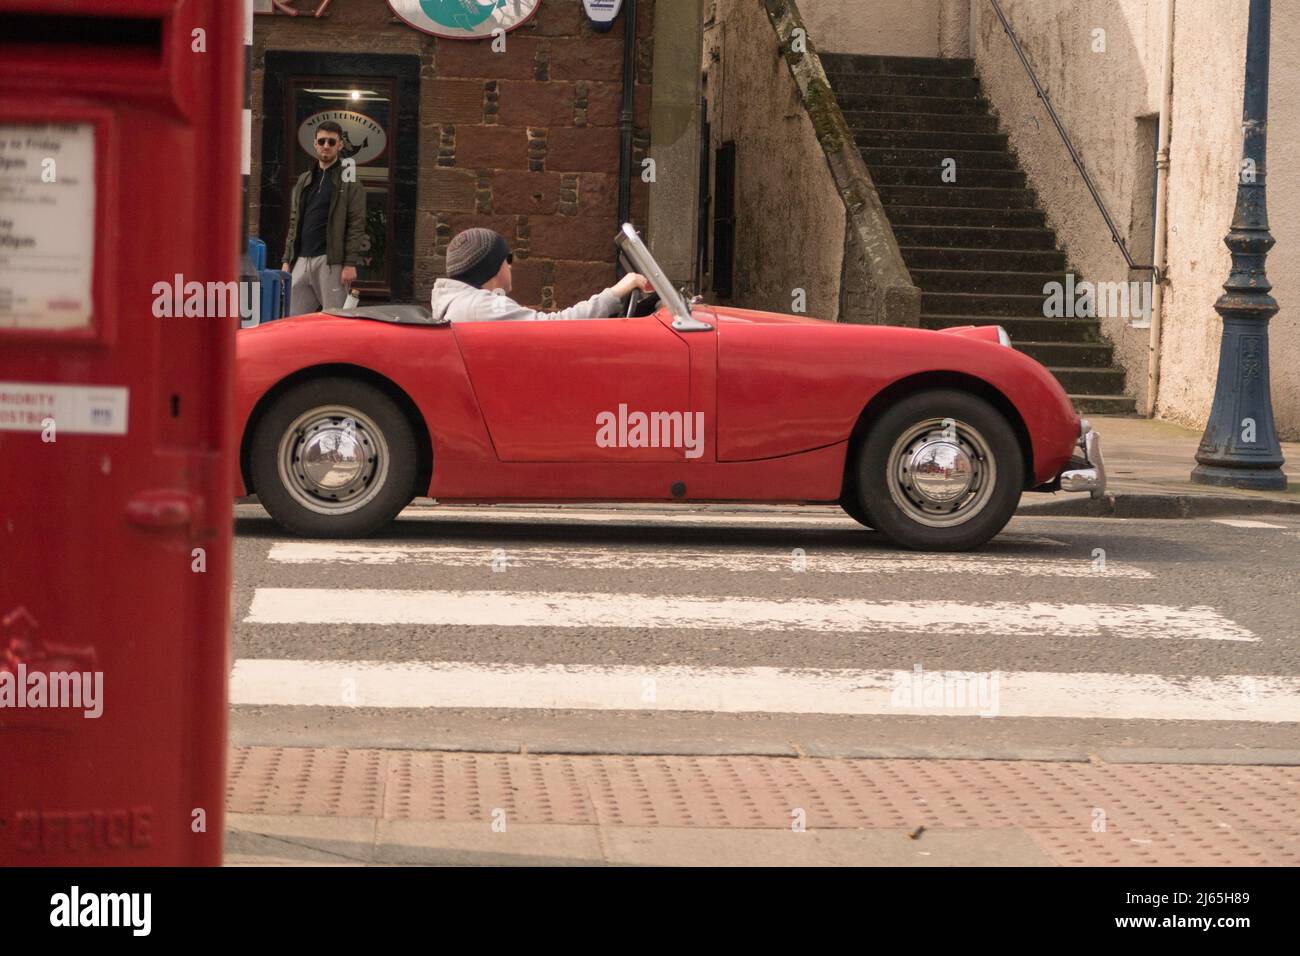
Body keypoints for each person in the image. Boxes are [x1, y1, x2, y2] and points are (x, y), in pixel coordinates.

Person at [431, 228, 652, 323]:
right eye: (508, 259)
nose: (511, 267)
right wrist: (614, 293)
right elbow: (551, 328)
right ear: (494, 268)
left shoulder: (463, 304)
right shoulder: (480, 308)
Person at [281, 120, 366, 315]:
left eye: (331, 142)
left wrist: (350, 263)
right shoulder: (305, 178)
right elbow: (294, 221)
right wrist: (287, 258)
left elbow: (356, 223)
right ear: (315, 143)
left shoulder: (349, 179)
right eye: (322, 141)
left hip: (331, 262)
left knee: (336, 320)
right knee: (290, 320)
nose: (326, 146)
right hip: (302, 259)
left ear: (340, 145)